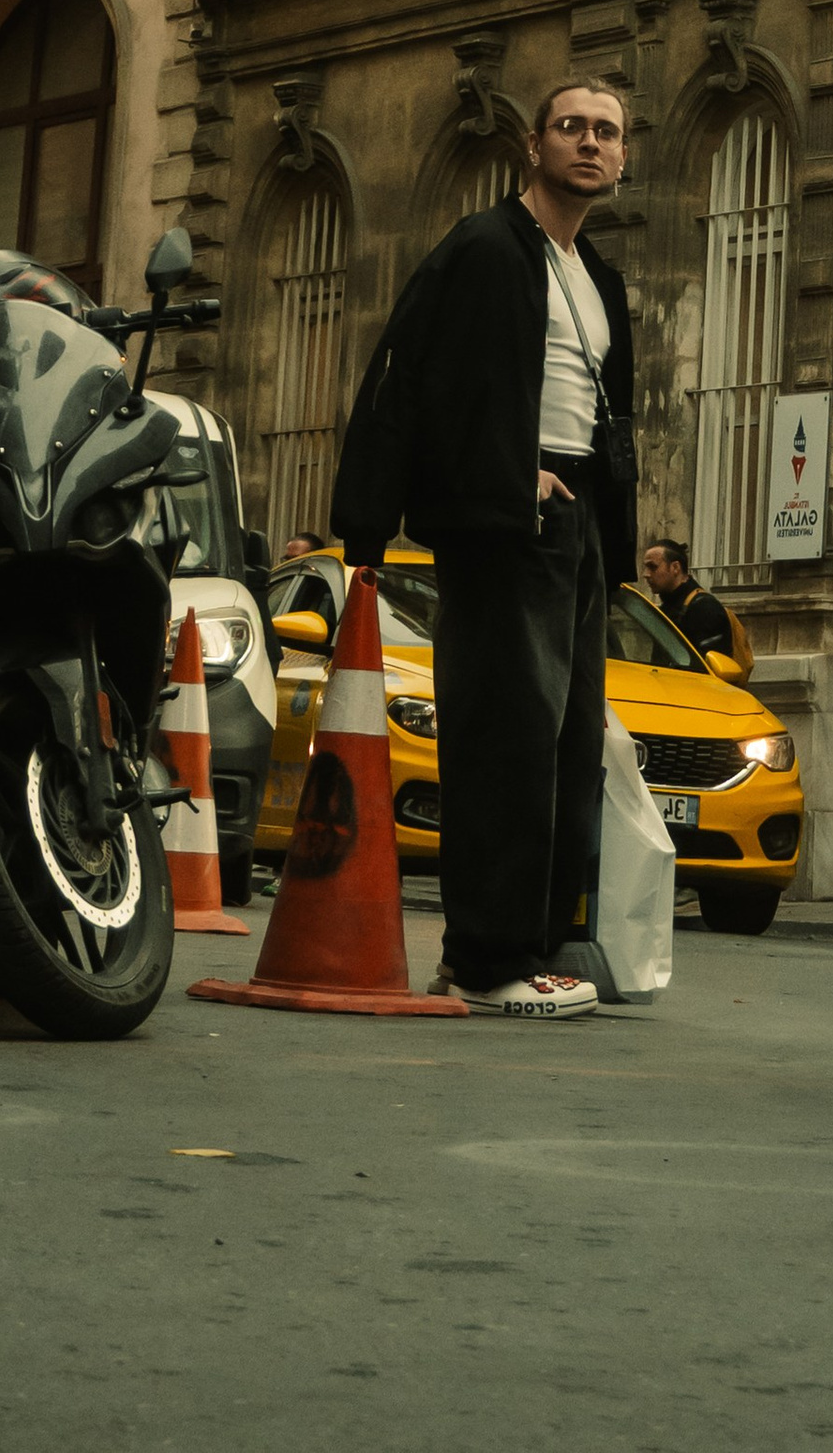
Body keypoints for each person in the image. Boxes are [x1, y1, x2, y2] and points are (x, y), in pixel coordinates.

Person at [332, 79, 636, 1020]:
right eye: (572, 128)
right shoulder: (483, 248)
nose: (589, 143)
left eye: (608, 133)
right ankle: (483, 957)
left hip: (572, 519)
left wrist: (608, 534)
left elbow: (605, 410)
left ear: (623, 157)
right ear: (534, 145)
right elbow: (420, 379)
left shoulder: (598, 276)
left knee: (566, 740)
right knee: (505, 735)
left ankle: (535, 945)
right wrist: (500, 483)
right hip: (508, 517)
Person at [639, 537, 735, 660]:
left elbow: (709, 668)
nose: (646, 574)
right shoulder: (668, 607)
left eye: (653, 567)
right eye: (646, 567)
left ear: (675, 568)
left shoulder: (705, 608)